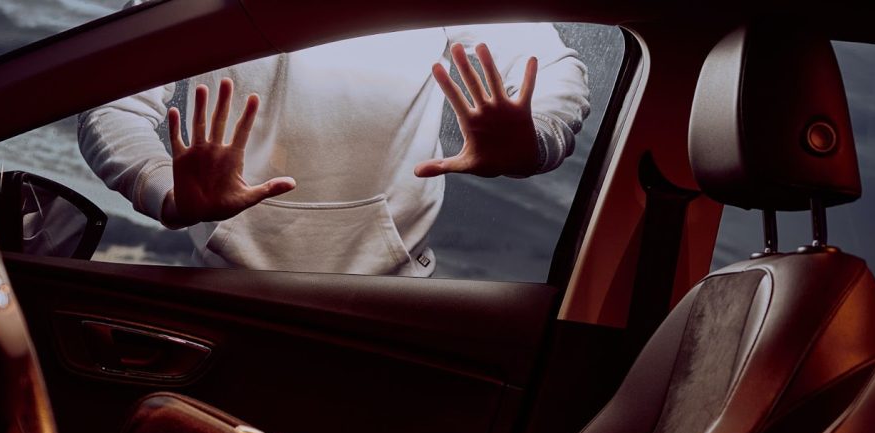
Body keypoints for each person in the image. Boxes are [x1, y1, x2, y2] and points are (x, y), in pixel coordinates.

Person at [78, 23, 590, 276]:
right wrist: (165, 189)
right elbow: (108, 100)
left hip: (392, 296)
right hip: (226, 288)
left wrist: (533, 139)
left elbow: (555, 69)